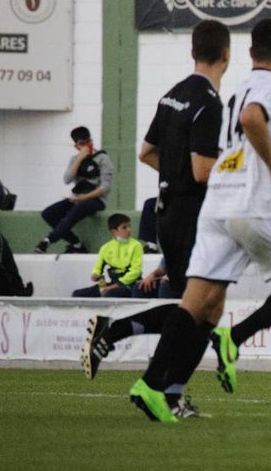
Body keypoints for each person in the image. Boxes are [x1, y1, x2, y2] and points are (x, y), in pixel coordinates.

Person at [126, 18, 271, 423]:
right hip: (253, 205)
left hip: (217, 205)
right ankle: (235, 338)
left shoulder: (235, 90)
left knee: (196, 304)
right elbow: (252, 121)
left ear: (249, 54)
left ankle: (151, 384)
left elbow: (243, 133)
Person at [82, 20, 231, 395]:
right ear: (226, 56)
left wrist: (175, 174)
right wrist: (240, 172)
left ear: (192, 52)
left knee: (198, 309)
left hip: (167, 214)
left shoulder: (172, 95)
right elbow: (202, 170)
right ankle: (162, 387)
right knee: (201, 310)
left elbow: (146, 153)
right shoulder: (208, 104)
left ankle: (168, 387)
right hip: (192, 218)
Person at [34, 126, 115, 255]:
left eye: (87, 142)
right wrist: (79, 159)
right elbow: (67, 179)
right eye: (81, 144)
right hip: (77, 198)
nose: (85, 146)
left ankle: (47, 240)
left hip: (95, 199)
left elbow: (105, 188)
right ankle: (76, 244)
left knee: (75, 211)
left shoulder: (102, 158)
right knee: (49, 213)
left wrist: (84, 198)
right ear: (76, 145)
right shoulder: (74, 159)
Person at [71, 214, 144, 298]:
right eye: (124, 227)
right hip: (112, 284)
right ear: (114, 231)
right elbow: (98, 267)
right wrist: (95, 274)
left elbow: (135, 271)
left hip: (130, 285)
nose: (129, 230)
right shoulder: (105, 248)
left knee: (110, 294)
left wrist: (113, 286)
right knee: (78, 294)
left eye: (129, 226)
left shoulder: (136, 245)